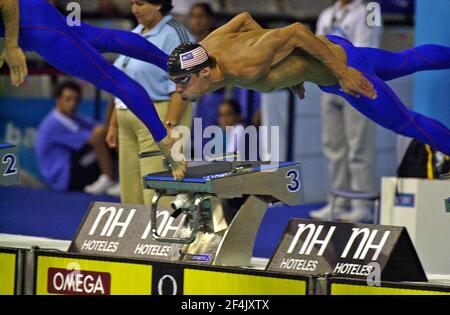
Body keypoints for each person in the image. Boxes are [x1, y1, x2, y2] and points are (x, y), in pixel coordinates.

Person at [168, 12, 450, 162]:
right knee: (406, 60)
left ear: (205, 72)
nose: (180, 92)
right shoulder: (207, 47)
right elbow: (243, 18)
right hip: (338, 50)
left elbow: (297, 31)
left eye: (183, 83)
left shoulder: (244, 64)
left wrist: (343, 74)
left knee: (406, 124)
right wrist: (283, 66)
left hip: (343, 69)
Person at [0, 0, 186, 181]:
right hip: (35, 14)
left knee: (111, 79)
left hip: (35, 29)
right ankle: (175, 65)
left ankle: (164, 140)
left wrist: (11, 45)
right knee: (105, 38)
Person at [106, 0, 193, 205]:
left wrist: (170, 127)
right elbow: (121, 79)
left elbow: (184, 84)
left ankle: (164, 234)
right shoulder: (136, 32)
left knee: (158, 188)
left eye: (140, 3)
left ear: (159, 4)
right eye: (132, 3)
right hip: (126, 117)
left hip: (158, 115)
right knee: (130, 190)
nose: (134, 9)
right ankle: (136, 235)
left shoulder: (175, 34)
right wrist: (113, 122)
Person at [310, 0, 382, 222]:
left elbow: (367, 47)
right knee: (333, 146)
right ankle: (338, 201)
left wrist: (344, 72)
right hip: (330, 85)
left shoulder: (371, 9)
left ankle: (362, 205)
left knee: (358, 147)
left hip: (358, 83)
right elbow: (315, 50)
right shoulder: (326, 14)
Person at [36, 81, 118, 193]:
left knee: (111, 136)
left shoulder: (74, 118)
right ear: (58, 99)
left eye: (76, 100)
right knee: (104, 139)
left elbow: (105, 129)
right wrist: (114, 101)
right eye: (68, 99)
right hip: (64, 178)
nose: (73, 104)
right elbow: (98, 135)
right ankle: (109, 179)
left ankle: (113, 181)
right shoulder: (54, 123)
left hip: (74, 166)